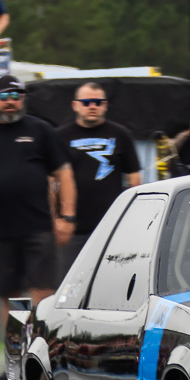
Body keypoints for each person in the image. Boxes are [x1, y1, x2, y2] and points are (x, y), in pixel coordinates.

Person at [0, 74, 76, 380]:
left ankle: (45, 365)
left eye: (16, 94)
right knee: (8, 298)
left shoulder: (41, 130)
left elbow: (64, 173)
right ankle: (15, 364)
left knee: (42, 295)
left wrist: (67, 217)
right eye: (4, 95)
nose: (11, 100)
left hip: (37, 227)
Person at [56, 82, 141, 282]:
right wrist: (56, 219)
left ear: (105, 105)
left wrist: (133, 219)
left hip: (112, 229)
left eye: (97, 102)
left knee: (112, 283)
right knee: (68, 286)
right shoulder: (59, 137)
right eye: (86, 102)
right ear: (75, 105)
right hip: (72, 229)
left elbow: (134, 180)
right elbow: (50, 182)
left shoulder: (121, 135)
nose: (92, 106)